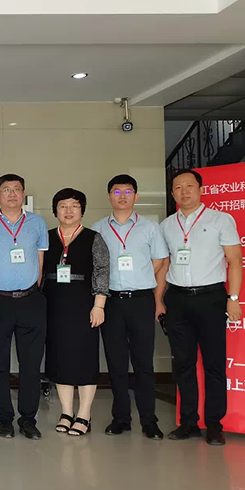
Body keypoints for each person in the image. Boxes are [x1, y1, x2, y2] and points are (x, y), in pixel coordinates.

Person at [160, 168, 242, 446]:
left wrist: (233, 298)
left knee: (214, 364)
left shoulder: (221, 219)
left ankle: (215, 424)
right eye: (178, 187)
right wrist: (159, 300)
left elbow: (235, 260)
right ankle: (188, 423)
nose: (184, 192)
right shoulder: (167, 225)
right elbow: (165, 264)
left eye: (189, 186)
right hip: (177, 299)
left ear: (201, 190)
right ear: (172, 193)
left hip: (211, 298)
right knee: (183, 364)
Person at [91, 175, 170, 440]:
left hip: (140, 300)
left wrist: (143, 279)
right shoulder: (98, 228)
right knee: (116, 363)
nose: (122, 196)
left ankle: (149, 420)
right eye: (117, 191)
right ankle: (121, 418)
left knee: (143, 362)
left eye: (128, 191)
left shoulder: (150, 227)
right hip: (111, 302)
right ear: (109, 196)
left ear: (136, 196)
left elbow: (160, 261)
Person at [0, 174, 49, 440]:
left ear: (23, 193)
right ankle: (4, 419)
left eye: (16, 189)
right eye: (6, 190)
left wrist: (33, 290)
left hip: (31, 300)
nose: (12, 194)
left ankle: (28, 419)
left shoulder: (37, 222)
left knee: (31, 364)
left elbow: (40, 260)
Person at [43, 188, 109, 436]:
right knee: (60, 358)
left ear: (82, 210)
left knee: (84, 359)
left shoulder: (94, 238)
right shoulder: (46, 237)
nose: (68, 211)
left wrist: (99, 305)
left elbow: (102, 272)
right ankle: (66, 412)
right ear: (55, 211)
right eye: (63, 206)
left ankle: (84, 414)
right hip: (54, 306)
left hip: (85, 306)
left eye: (74, 206)